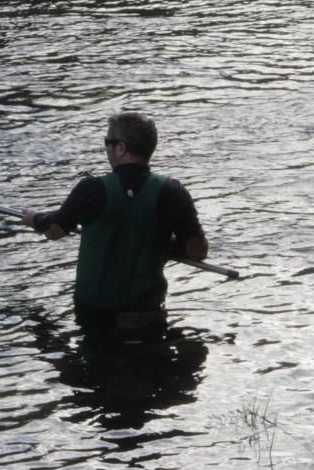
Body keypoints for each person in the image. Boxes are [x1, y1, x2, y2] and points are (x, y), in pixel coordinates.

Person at [22, 112, 208, 343]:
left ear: (121, 148)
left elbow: (54, 230)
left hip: (95, 313)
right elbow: (197, 251)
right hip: (146, 313)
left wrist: (34, 219)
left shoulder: (92, 188)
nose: (106, 148)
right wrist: (162, 244)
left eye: (107, 142)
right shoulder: (173, 192)